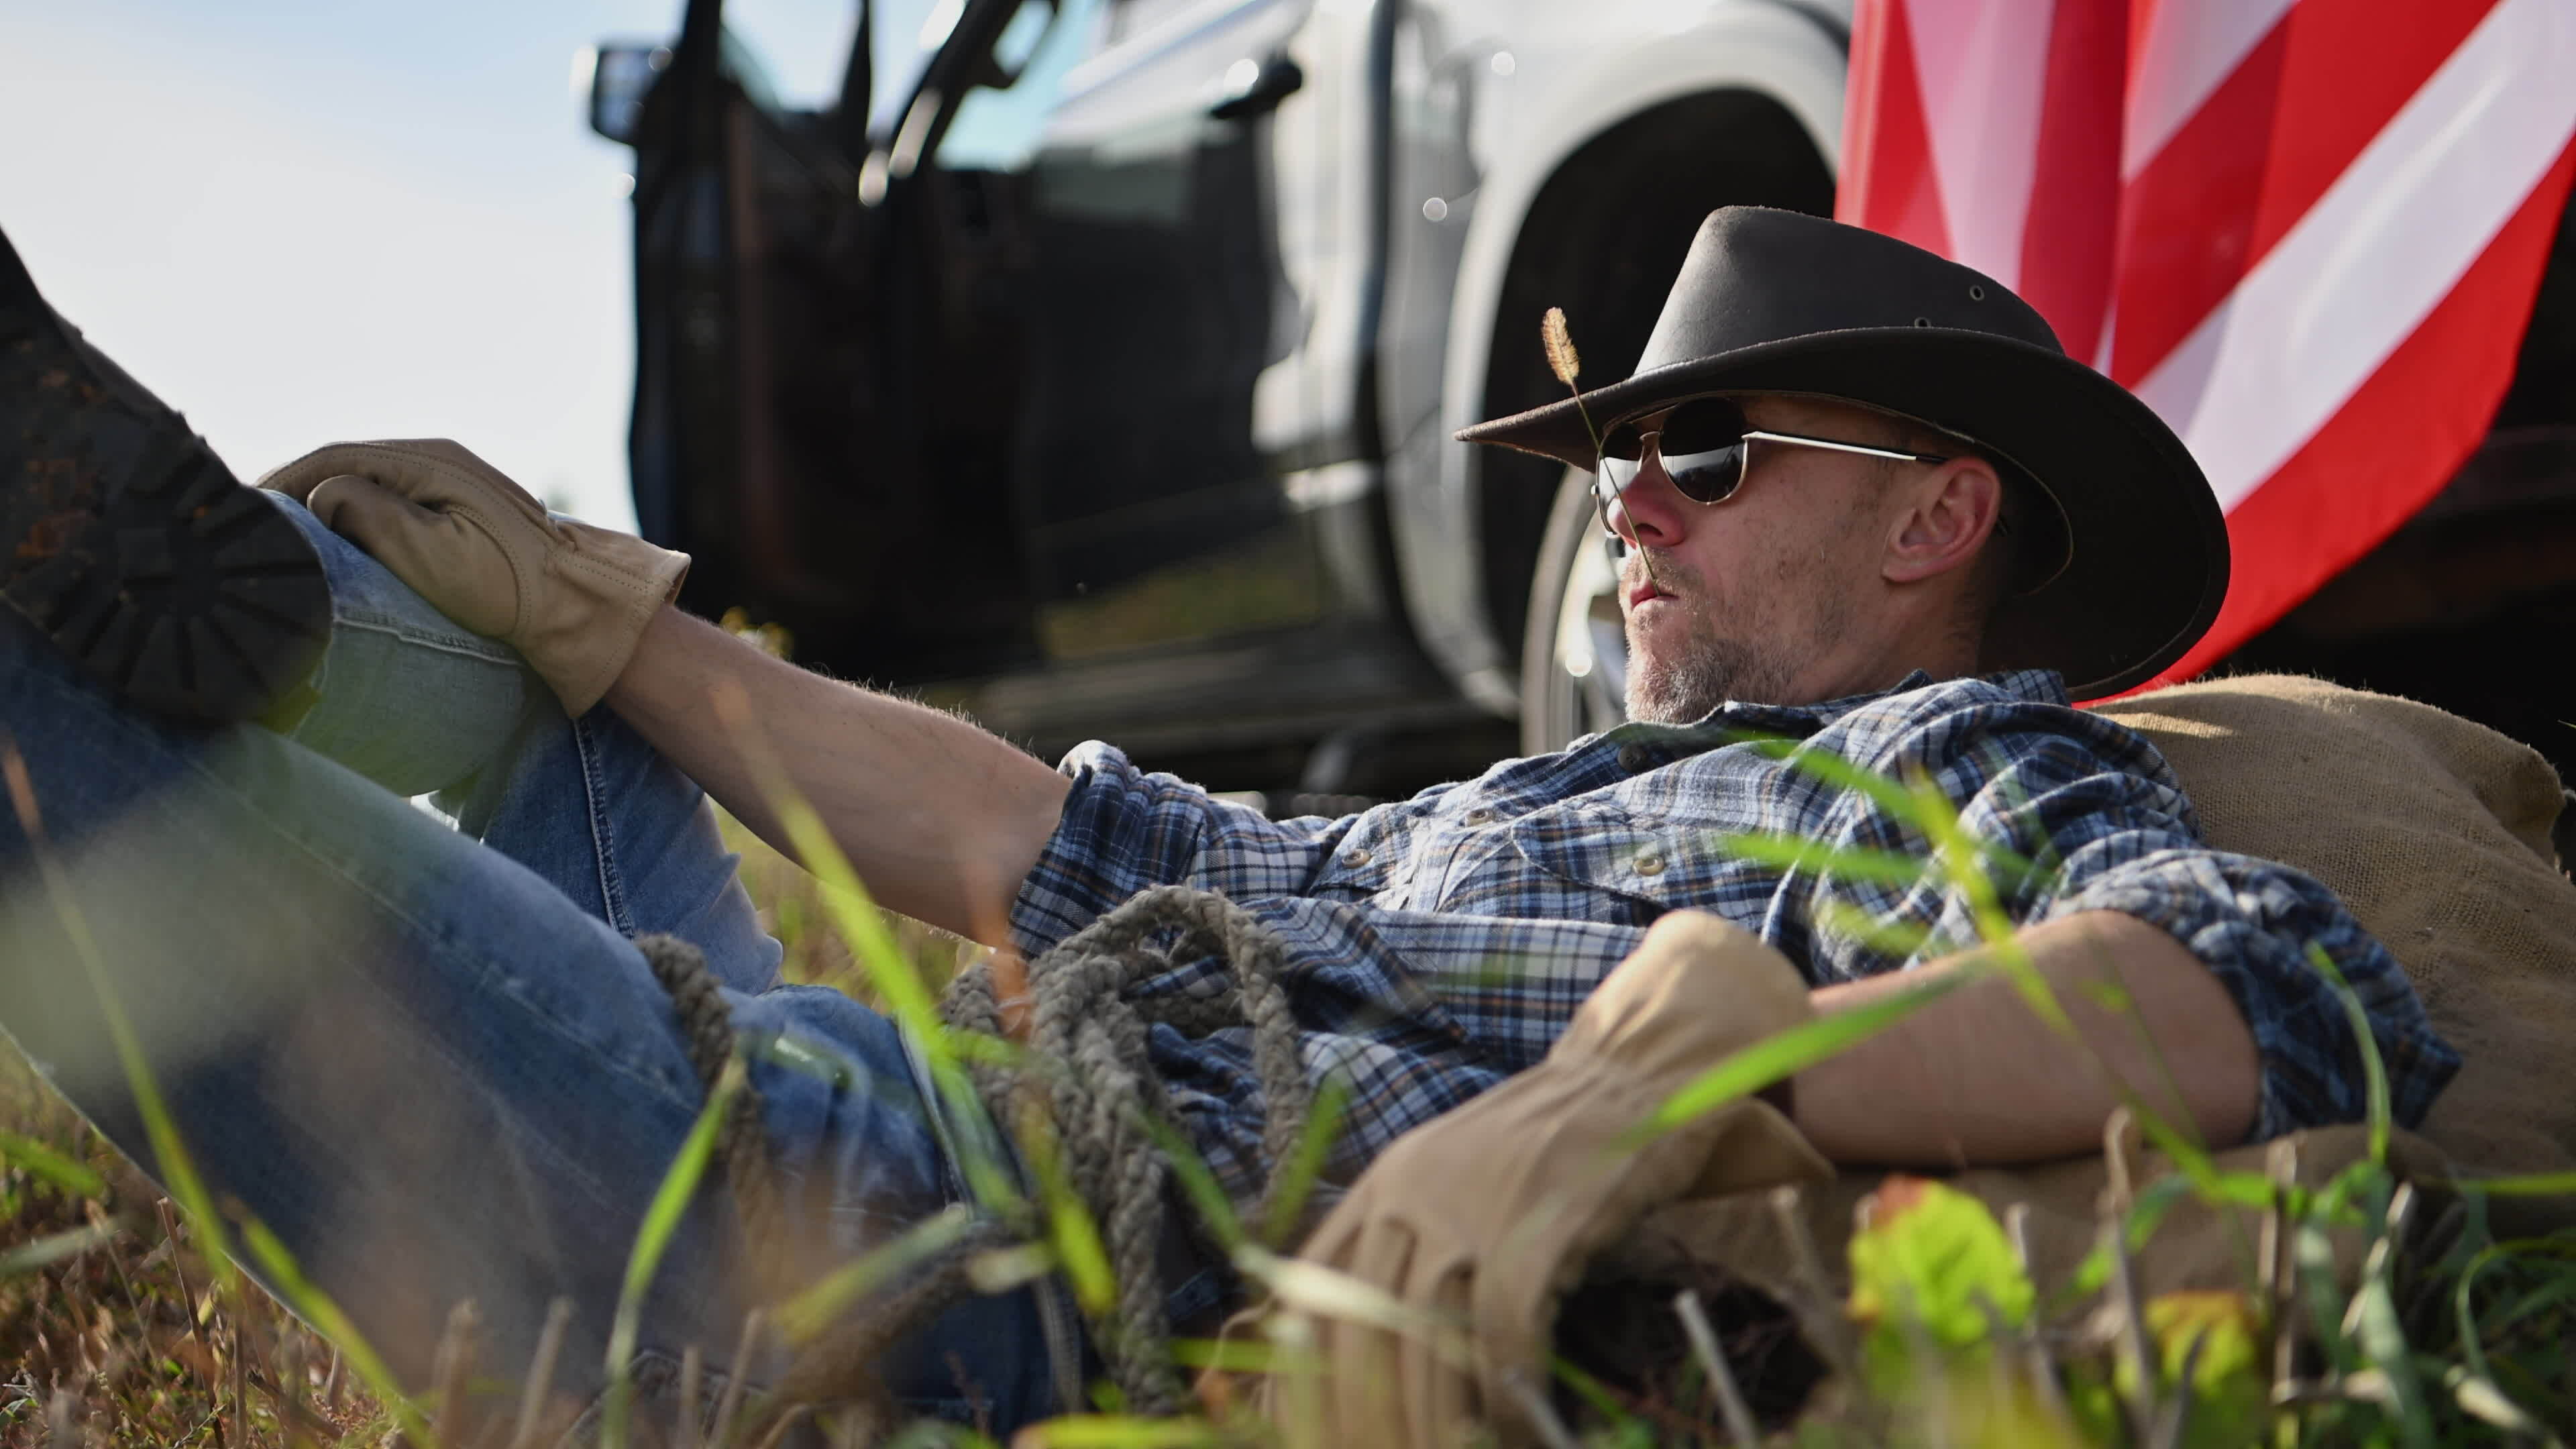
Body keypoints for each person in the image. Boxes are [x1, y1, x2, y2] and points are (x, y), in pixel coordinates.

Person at [0, 207, 2455, 1438]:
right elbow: (1048, 845)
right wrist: (590, 606)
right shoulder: (1526, 799)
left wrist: (1675, 1080)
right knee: (517, 690)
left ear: (1936, 524)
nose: (1631, 509)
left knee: (53, 726)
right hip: (901, 1114)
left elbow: (2275, 997)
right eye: (1621, 459)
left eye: (1702, 453)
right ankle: (230, 598)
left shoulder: (1961, 775)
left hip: (932, 1271)